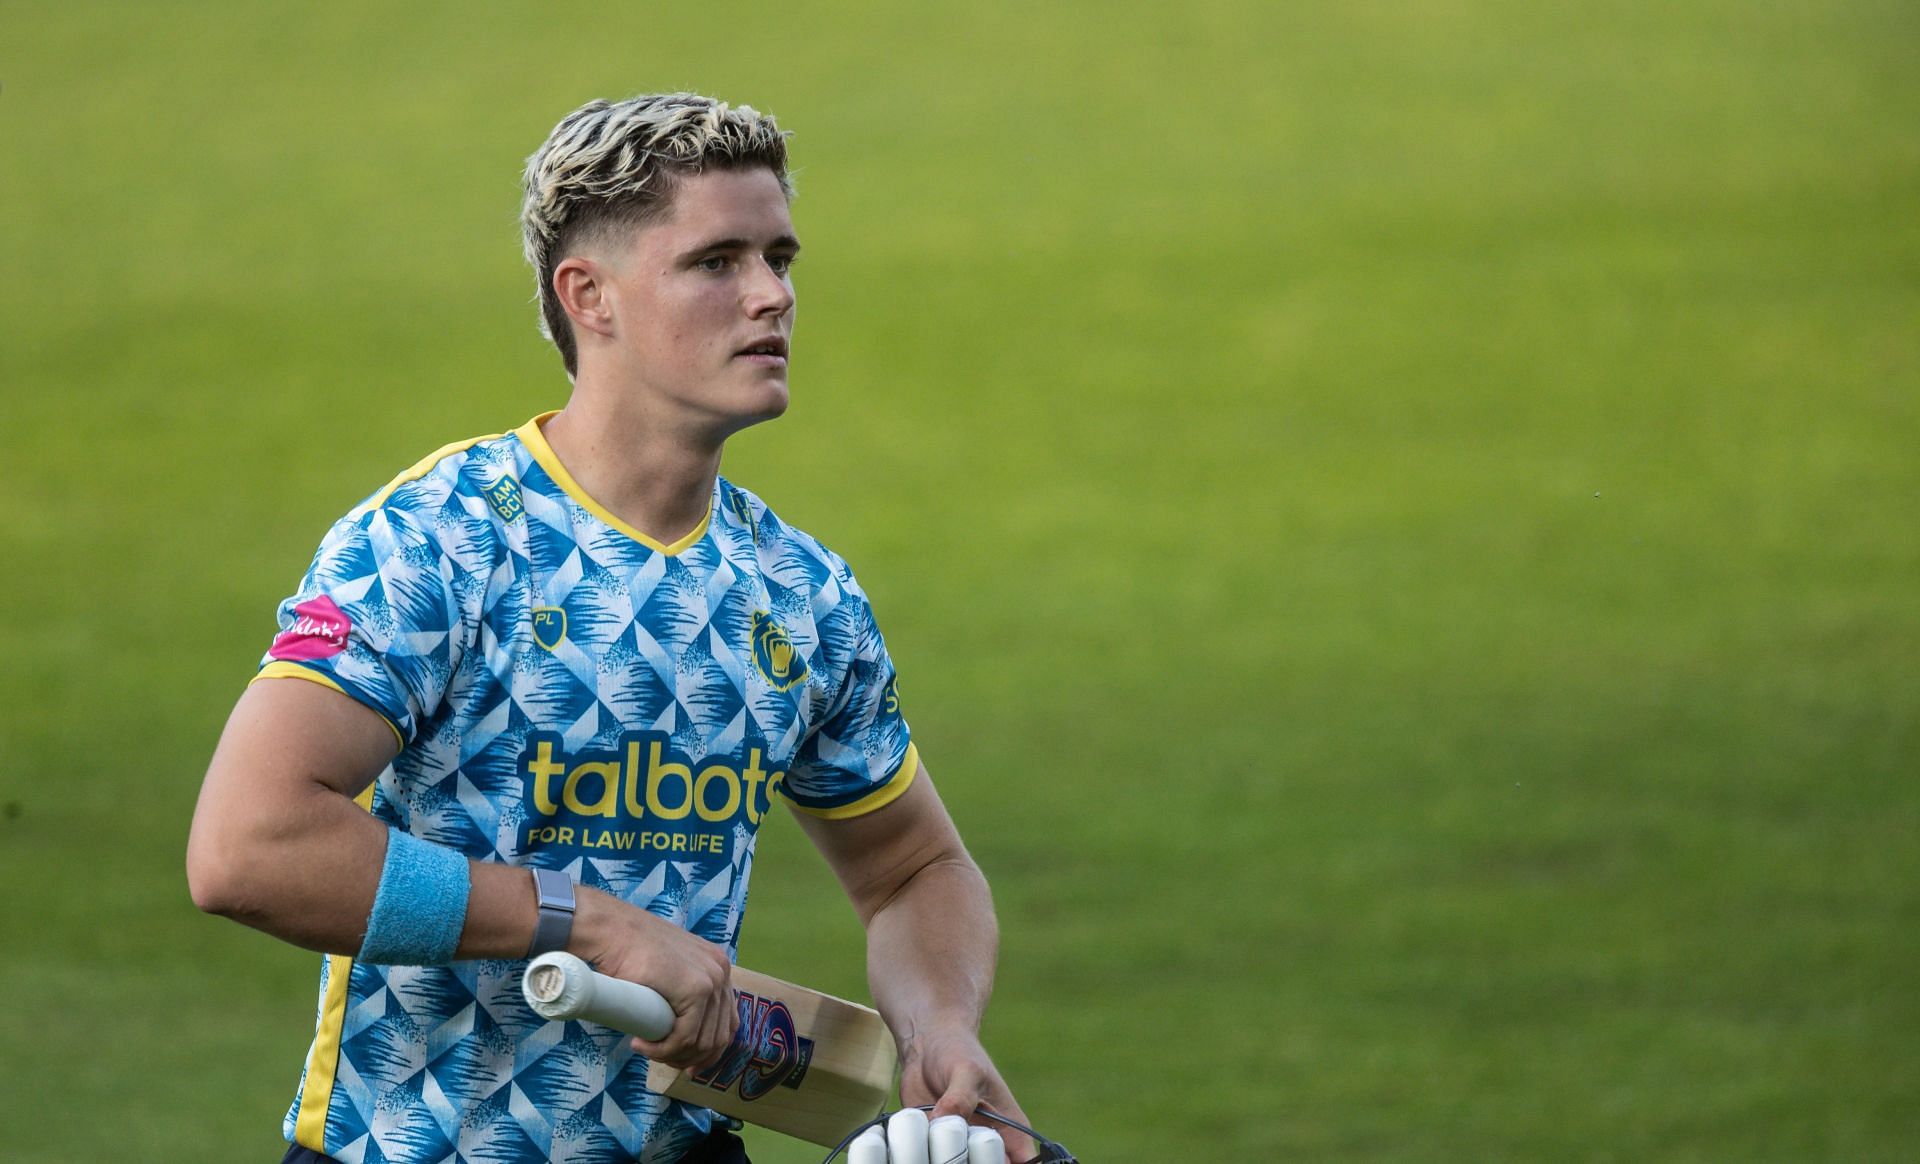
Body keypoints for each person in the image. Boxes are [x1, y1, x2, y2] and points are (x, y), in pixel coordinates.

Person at [188, 92, 1032, 1164]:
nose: (772, 296)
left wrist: (939, 1022)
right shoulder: (440, 539)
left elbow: (915, 870)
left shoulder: (800, 593)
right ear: (589, 296)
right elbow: (248, 847)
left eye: (780, 257)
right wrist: (584, 921)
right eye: (716, 262)